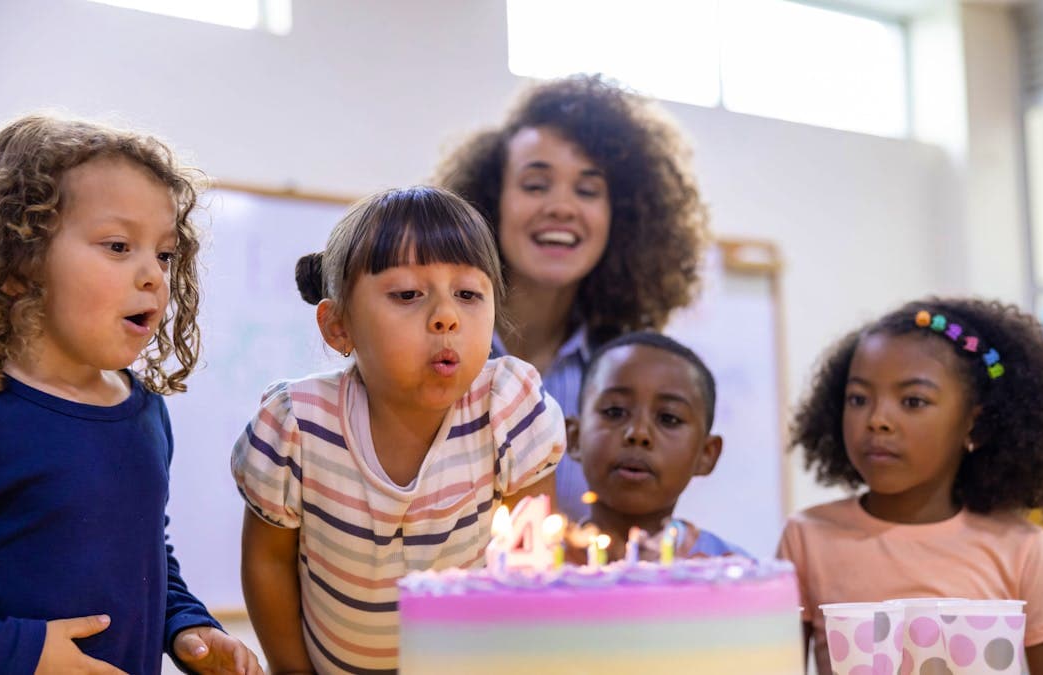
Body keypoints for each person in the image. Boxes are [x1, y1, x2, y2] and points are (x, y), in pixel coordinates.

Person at [232, 186, 566, 674]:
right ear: (338, 326)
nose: (447, 316)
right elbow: (268, 563)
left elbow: (528, 565)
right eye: (408, 294)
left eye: (468, 294)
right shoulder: (297, 425)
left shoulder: (508, 409)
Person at [0, 114, 261, 675]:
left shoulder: (143, 410)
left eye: (165, 254)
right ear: (16, 262)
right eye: (118, 245)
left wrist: (187, 626)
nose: (153, 274)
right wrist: (24, 652)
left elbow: (146, 555)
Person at [778, 297, 1043, 675]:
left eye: (913, 401)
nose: (877, 419)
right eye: (858, 399)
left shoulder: (1021, 548)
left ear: (974, 424)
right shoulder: (806, 538)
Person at [435, 74, 710, 522]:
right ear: (490, 202)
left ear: (620, 216)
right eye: (535, 185)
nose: (562, 207)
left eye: (587, 190)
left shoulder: (624, 373)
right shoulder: (432, 347)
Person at [566, 331, 747, 563]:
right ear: (574, 437)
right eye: (615, 412)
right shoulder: (541, 566)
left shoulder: (734, 572)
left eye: (668, 418)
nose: (638, 433)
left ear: (706, 454)